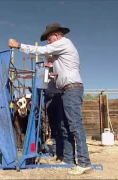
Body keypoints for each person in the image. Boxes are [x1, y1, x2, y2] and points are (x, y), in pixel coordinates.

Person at [8, 23, 92, 175]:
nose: (48, 41)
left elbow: (42, 50)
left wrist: (18, 45)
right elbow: (55, 64)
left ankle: (84, 162)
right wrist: (51, 68)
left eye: (49, 38)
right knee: (66, 126)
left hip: (71, 89)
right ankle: (68, 159)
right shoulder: (62, 54)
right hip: (67, 90)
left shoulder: (64, 43)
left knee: (75, 125)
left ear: (57, 35)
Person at [43, 55, 63, 162]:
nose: (49, 59)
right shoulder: (45, 69)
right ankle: (57, 152)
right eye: (48, 58)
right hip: (49, 99)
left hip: (58, 97)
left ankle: (63, 153)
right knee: (53, 127)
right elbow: (43, 83)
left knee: (61, 126)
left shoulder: (58, 67)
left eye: (51, 57)